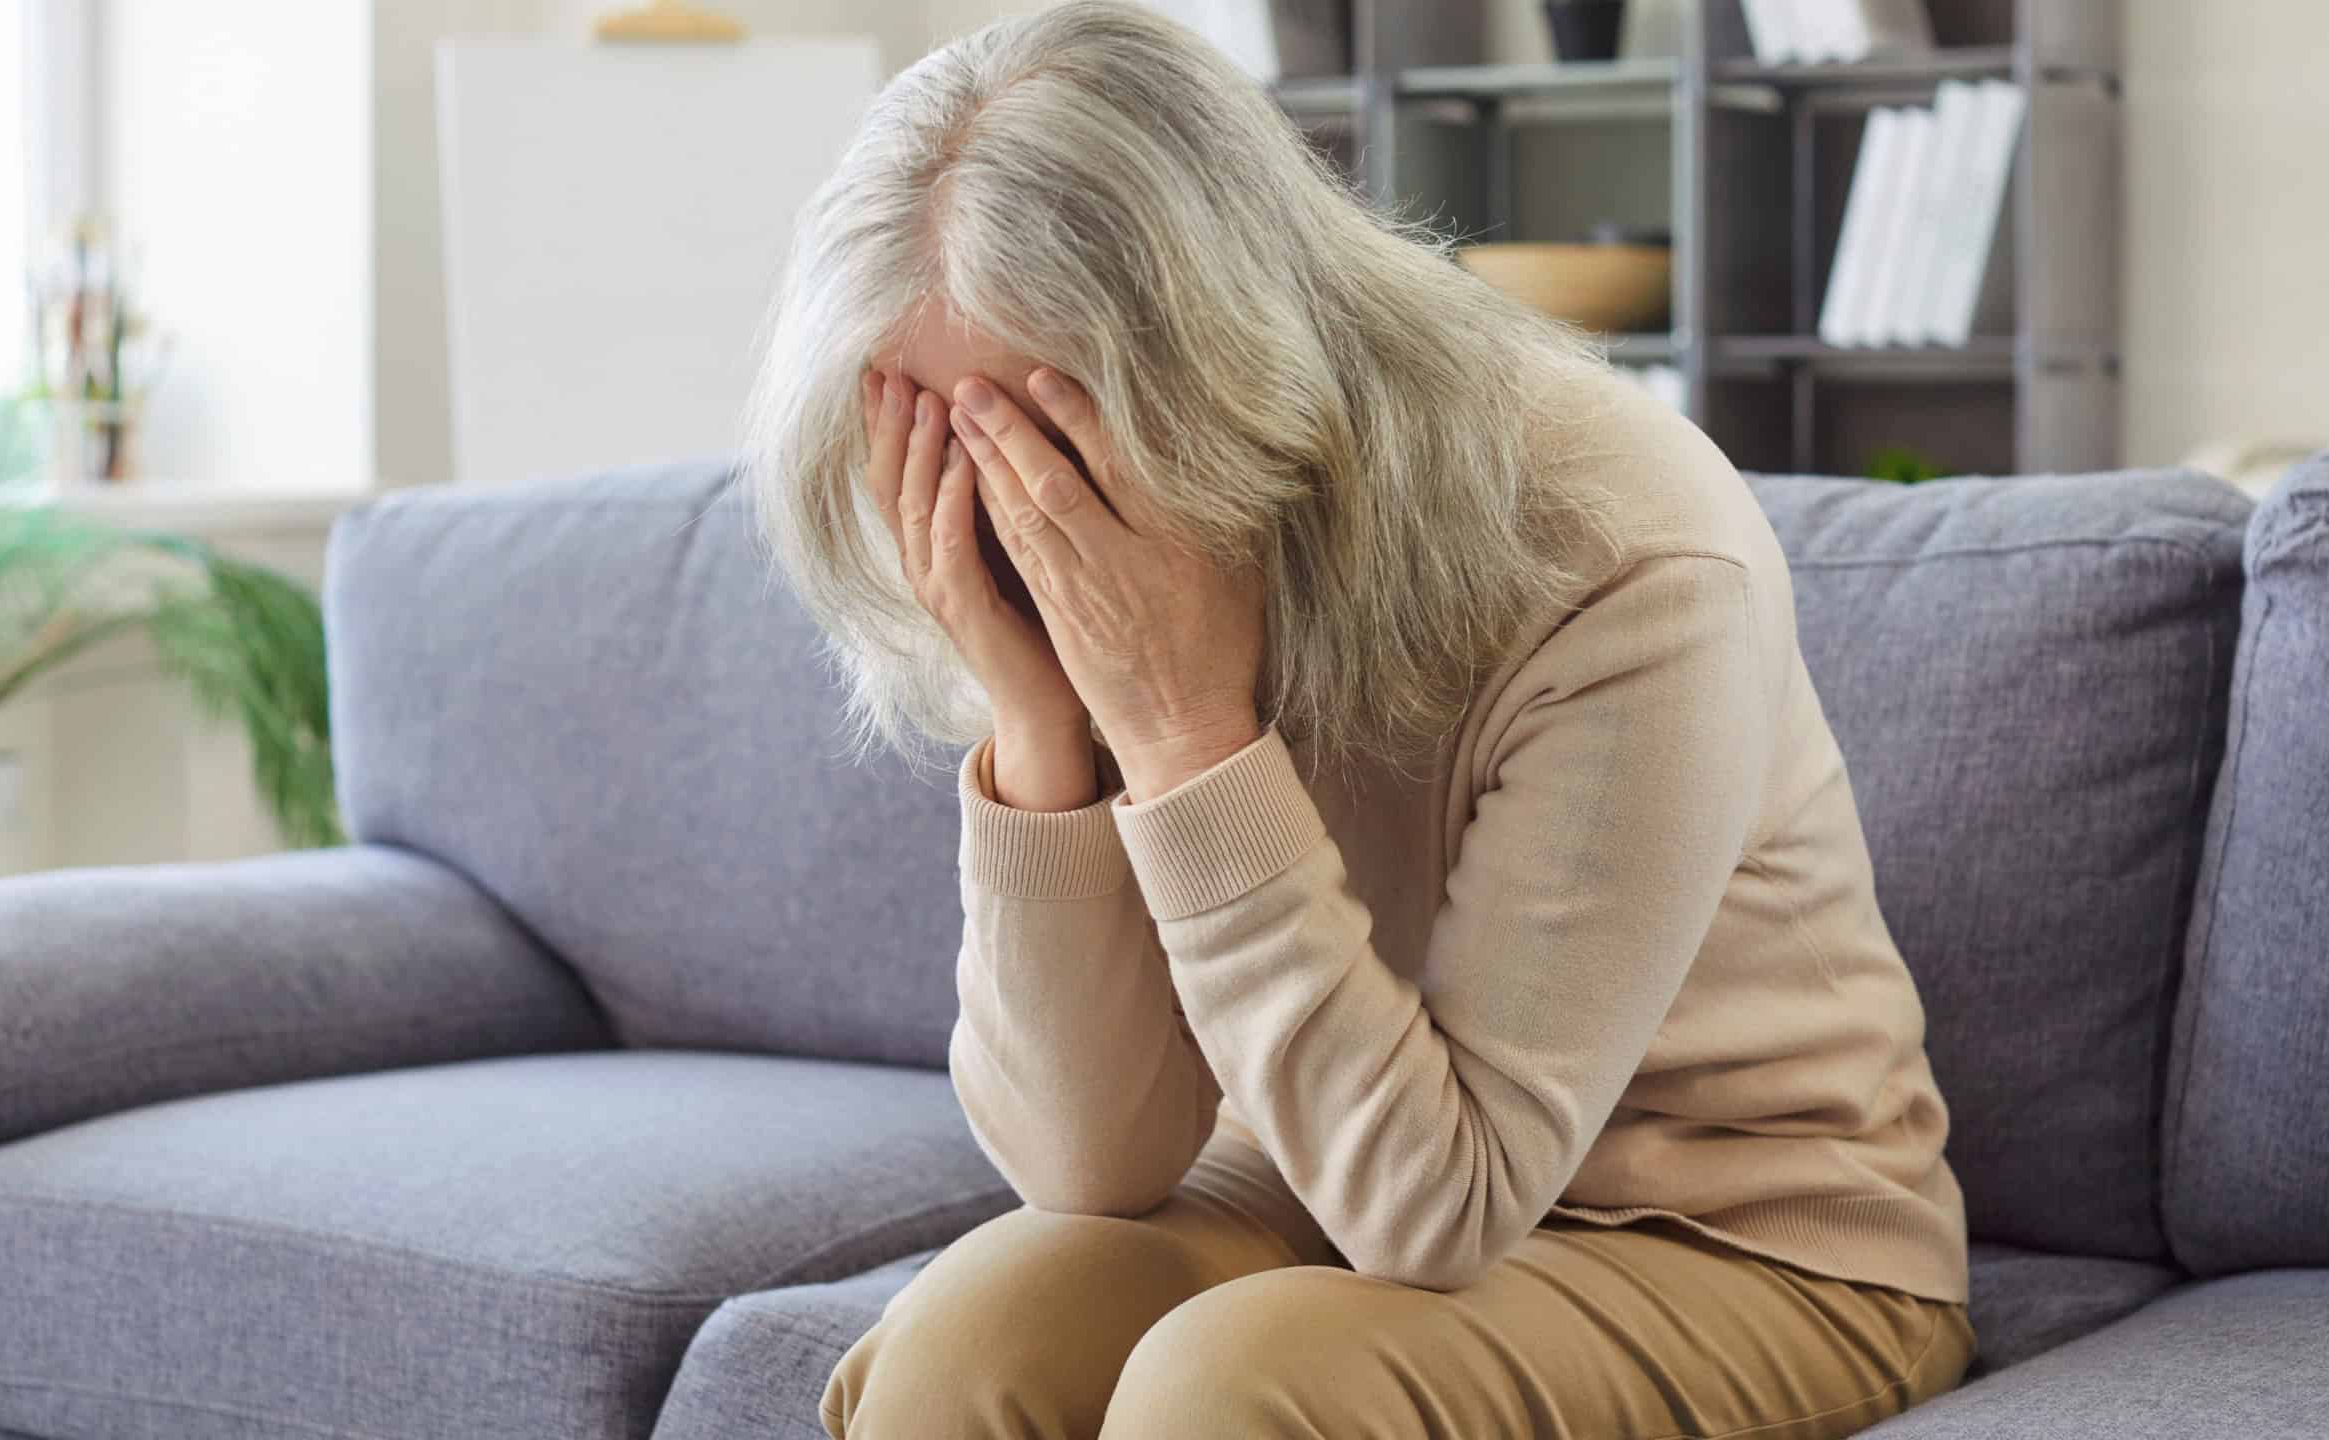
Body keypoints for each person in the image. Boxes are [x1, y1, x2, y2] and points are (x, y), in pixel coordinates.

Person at [745, 4, 1971, 1436]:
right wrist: (1045, 731)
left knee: (1233, 1389)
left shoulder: (1624, 551)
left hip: (1737, 1231)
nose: (1020, 515)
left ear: (1226, 367)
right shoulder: (1083, 581)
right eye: (940, 450)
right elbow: (1091, 1167)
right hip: (1320, 1160)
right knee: (969, 1340)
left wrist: (1191, 732)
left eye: (1050, 443)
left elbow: (1436, 1207)